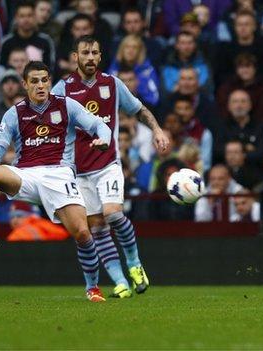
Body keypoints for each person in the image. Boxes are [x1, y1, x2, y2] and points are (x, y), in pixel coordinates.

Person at [0, 61, 113, 303]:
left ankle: (92, 287)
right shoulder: (14, 113)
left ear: (50, 81)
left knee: (83, 233)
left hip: (59, 174)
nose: (41, 85)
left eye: (44, 80)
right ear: (25, 84)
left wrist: (104, 139)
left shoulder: (66, 106)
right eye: (34, 81)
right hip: (26, 175)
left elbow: (98, 124)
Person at [52, 36, 169, 298]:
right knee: (97, 227)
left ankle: (135, 264)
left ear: (100, 56)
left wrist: (157, 130)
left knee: (114, 215)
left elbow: (139, 109)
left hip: (108, 165)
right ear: (76, 57)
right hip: (78, 171)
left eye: (95, 52)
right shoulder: (62, 89)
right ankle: (121, 283)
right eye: (85, 52)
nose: (90, 57)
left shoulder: (112, 84)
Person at [0, 1, 55, 69]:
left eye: (29, 15)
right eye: (22, 16)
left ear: (35, 16)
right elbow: (1, 70)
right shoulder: (6, 43)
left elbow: (50, 70)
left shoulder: (45, 41)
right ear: (16, 18)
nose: (26, 20)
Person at [6, 201, 70, 241]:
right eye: (12, 217)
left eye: (19, 216)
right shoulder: (43, 224)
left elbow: (63, 235)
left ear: (29, 215)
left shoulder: (17, 234)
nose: (15, 220)